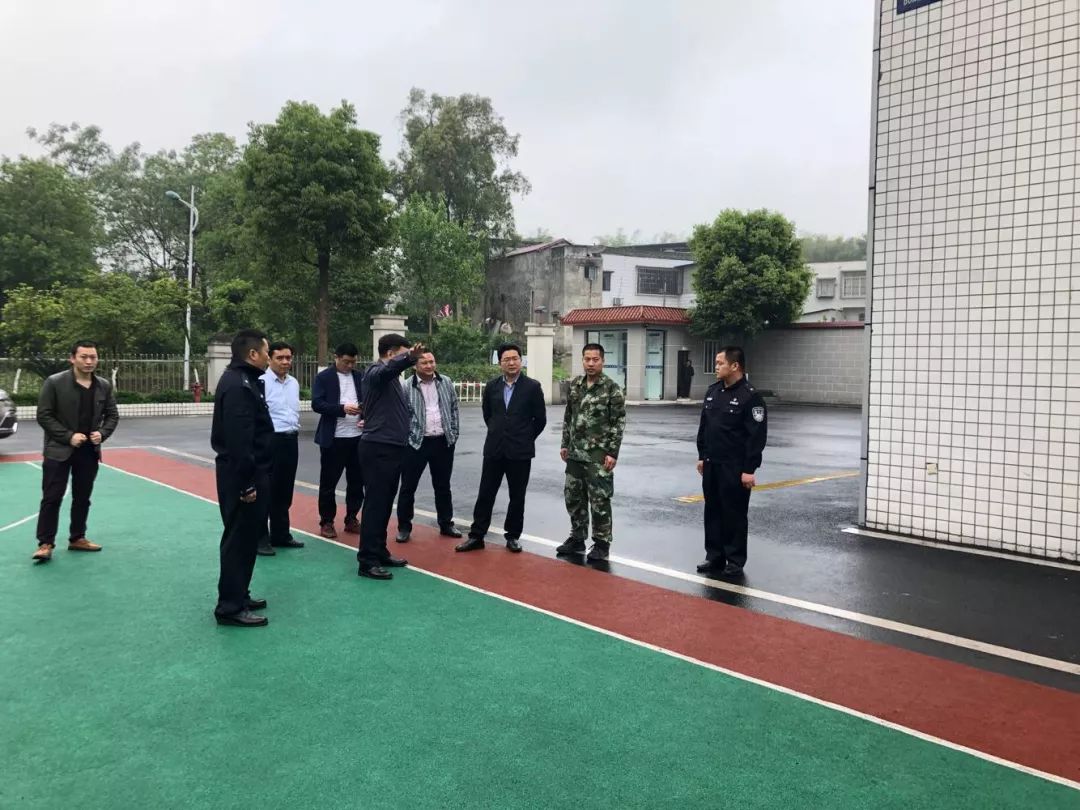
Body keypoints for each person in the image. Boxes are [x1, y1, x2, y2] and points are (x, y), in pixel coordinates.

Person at [31, 340, 120, 563]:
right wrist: (68, 436)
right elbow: (44, 415)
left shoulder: (103, 385)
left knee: (83, 497)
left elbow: (112, 415)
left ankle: (77, 538)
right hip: (58, 450)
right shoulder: (55, 382)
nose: (89, 361)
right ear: (72, 358)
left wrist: (102, 433)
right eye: (84, 357)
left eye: (93, 357)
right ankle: (45, 543)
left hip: (89, 451)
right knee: (52, 497)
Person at [457, 344, 547, 554]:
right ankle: (477, 535)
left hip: (520, 451)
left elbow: (540, 419)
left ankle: (513, 536)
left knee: (517, 496)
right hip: (494, 449)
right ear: (500, 363)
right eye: (507, 359)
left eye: (515, 358)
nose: (512, 363)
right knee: (485, 493)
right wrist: (498, 432)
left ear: (521, 361)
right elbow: (488, 414)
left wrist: (525, 437)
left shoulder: (532, 387)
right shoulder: (492, 386)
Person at [211, 329, 274, 627]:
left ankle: (239, 594)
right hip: (242, 476)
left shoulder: (245, 380)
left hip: (249, 472)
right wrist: (247, 483)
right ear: (252, 354)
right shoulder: (238, 385)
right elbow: (239, 440)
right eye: (266, 352)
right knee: (238, 540)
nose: (268, 357)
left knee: (247, 539)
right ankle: (230, 607)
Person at [356, 334, 425, 580]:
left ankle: (379, 551)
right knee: (375, 505)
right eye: (403, 354)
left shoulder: (392, 379)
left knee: (385, 504)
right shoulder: (375, 372)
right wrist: (408, 358)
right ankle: (367, 561)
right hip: (378, 447)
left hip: (393, 447)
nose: (410, 360)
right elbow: (385, 371)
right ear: (390, 353)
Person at [695, 346, 767, 578]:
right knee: (712, 510)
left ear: (735, 366)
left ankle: (734, 559)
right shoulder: (713, 391)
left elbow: (756, 436)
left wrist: (749, 469)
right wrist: (702, 455)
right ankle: (714, 555)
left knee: (733, 513)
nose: (716, 367)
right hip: (712, 463)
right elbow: (705, 427)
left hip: (734, 467)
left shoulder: (750, 396)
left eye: (720, 363)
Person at [555, 343, 626, 562]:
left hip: (598, 455)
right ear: (582, 360)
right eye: (587, 359)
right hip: (575, 453)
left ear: (602, 361)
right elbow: (569, 416)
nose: (591, 363)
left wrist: (612, 452)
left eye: (595, 359)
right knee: (573, 497)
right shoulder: (575, 385)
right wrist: (565, 443)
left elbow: (618, 423)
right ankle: (577, 538)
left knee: (599, 500)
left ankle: (602, 543)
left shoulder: (612, 388)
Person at [395, 350, 462, 543]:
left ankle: (446, 523)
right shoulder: (406, 386)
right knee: (408, 487)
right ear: (415, 365)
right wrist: (408, 438)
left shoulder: (446, 382)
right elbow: (402, 415)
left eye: (432, 361)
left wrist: (453, 433)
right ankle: (404, 527)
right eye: (424, 363)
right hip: (416, 443)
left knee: (443, 486)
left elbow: (453, 408)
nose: (429, 366)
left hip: (442, 441)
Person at [311, 343, 365, 540]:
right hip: (333, 438)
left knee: (357, 482)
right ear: (337, 357)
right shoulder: (324, 377)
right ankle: (327, 521)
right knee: (328, 482)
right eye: (346, 361)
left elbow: (369, 400)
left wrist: (365, 414)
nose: (350, 365)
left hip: (357, 437)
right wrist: (342, 409)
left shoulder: (360, 377)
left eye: (353, 362)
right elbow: (317, 404)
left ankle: (352, 518)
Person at [258, 341, 303, 555]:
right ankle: (260, 539)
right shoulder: (261, 382)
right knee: (265, 490)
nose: (285, 362)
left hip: (290, 440)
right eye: (280, 358)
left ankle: (281, 534)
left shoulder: (293, 383)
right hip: (270, 441)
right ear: (269, 359)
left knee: (284, 490)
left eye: (288, 358)